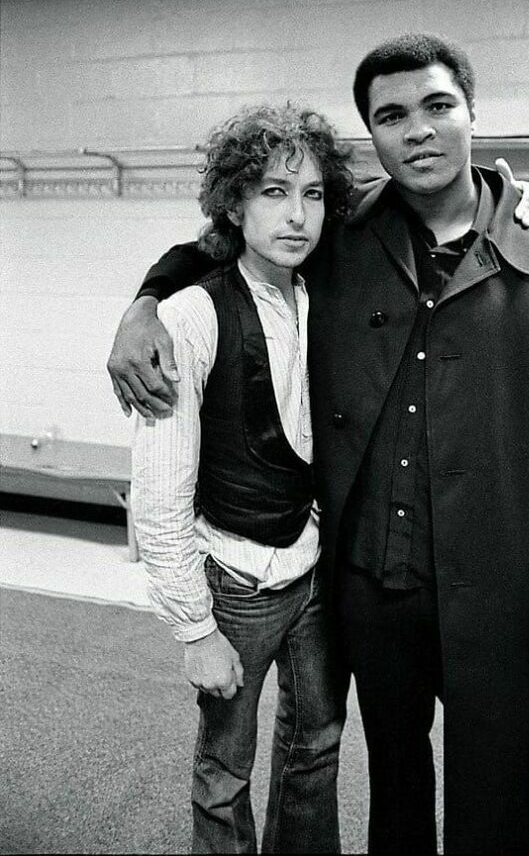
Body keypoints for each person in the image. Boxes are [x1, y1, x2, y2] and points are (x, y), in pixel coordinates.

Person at [109, 34, 529, 855]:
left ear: (472, 113)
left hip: (505, 585)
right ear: (372, 135)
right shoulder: (342, 236)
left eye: (438, 105)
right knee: (396, 794)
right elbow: (223, 243)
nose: (417, 129)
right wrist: (143, 304)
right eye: (391, 115)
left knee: (499, 806)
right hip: (376, 587)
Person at [130, 105, 353, 854]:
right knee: (225, 771)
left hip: (314, 570)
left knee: (317, 744)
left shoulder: (325, 294)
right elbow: (160, 497)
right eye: (274, 192)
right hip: (233, 581)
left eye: (312, 194)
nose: (297, 215)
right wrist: (195, 630)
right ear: (234, 203)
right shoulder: (191, 316)